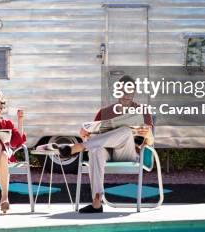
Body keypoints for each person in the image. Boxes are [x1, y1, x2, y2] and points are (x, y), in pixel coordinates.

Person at [56, 75, 153, 213]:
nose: (126, 95)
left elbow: (150, 141)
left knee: (125, 131)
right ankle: (97, 201)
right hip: (106, 152)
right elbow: (92, 134)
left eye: (130, 91)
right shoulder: (104, 112)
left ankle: (78, 148)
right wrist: (85, 133)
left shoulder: (142, 110)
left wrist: (147, 133)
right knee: (95, 150)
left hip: (128, 153)